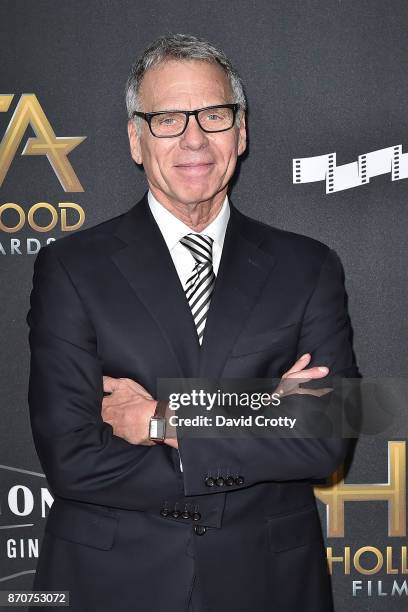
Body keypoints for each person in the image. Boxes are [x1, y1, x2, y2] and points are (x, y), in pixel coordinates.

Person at [27, 33, 358, 612]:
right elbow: (72, 459)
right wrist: (264, 410)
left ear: (242, 130)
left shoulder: (309, 266)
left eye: (213, 114)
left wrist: (162, 417)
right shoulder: (72, 268)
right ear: (135, 138)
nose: (194, 138)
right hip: (111, 582)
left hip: (267, 583)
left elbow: (324, 440)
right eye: (167, 119)